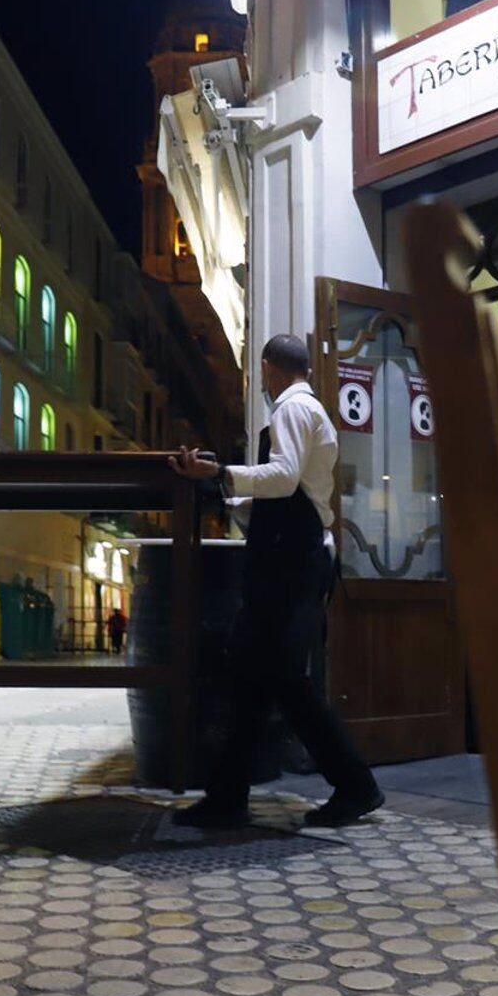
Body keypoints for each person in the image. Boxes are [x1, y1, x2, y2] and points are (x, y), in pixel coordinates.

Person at [167, 333, 384, 830]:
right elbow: (292, 490)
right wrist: (224, 487)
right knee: (255, 677)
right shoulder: (313, 411)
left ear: (268, 368)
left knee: (283, 680)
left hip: (287, 564)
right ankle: (228, 796)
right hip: (297, 557)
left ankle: (356, 785)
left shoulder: (289, 410)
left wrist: (221, 472)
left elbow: (283, 478)